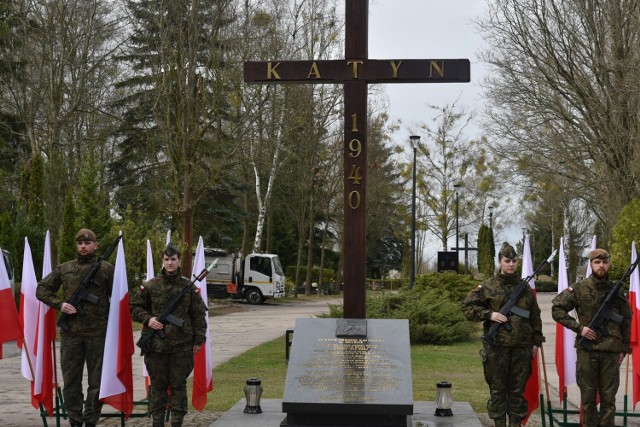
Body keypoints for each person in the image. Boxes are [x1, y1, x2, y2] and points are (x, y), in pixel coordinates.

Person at [36, 228, 114, 427]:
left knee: (97, 383)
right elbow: (42, 289)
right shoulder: (65, 268)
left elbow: (121, 298)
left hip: (98, 334)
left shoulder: (106, 269)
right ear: (76, 245)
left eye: (88, 243)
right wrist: (59, 304)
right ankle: (75, 421)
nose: (84, 246)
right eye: (80, 243)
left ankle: (91, 421)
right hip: (71, 334)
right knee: (71, 382)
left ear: (95, 245)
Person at [461, 242, 544, 427]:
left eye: (514, 261)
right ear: (500, 262)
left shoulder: (525, 289)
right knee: (498, 391)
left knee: (517, 392)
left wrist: (537, 341)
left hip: (521, 349)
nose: (511, 264)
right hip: (496, 348)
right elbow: (466, 307)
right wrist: (490, 314)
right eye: (507, 261)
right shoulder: (488, 286)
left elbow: (535, 316)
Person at [130, 243, 207, 427]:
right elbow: (134, 307)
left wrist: (199, 340)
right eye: (166, 259)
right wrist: (148, 320)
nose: (170, 263)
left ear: (179, 261)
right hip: (156, 346)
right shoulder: (151, 285)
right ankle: (157, 422)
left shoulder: (188, 287)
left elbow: (198, 316)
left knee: (179, 386)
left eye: (173, 259)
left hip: (181, 347)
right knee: (158, 387)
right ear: (162, 262)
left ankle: (177, 422)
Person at [552, 248, 631, 427]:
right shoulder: (579, 288)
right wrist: (579, 329)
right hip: (587, 352)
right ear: (591, 264)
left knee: (609, 401)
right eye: (597, 262)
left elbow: (627, 320)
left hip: (611, 352)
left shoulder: (617, 292)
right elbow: (557, 308)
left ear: (609, 264)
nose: (601, 266)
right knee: (588, 400)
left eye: (604, 262)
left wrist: (624, 349)